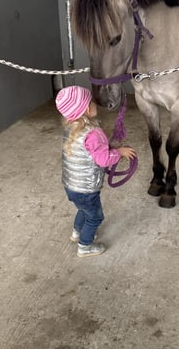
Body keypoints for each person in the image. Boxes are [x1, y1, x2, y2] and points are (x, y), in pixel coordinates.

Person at [54, 86, 136, 257]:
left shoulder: (71, 128)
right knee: (95, 217)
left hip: (71, 185)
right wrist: (119, 152)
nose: (95, 103)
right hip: (86, 188)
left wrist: (109, 146)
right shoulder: (93, 134)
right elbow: (103, 160)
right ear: (86, 109)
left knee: (83, 209)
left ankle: (77, 233)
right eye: (91, 101)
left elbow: (89, 150)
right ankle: (85, 246)